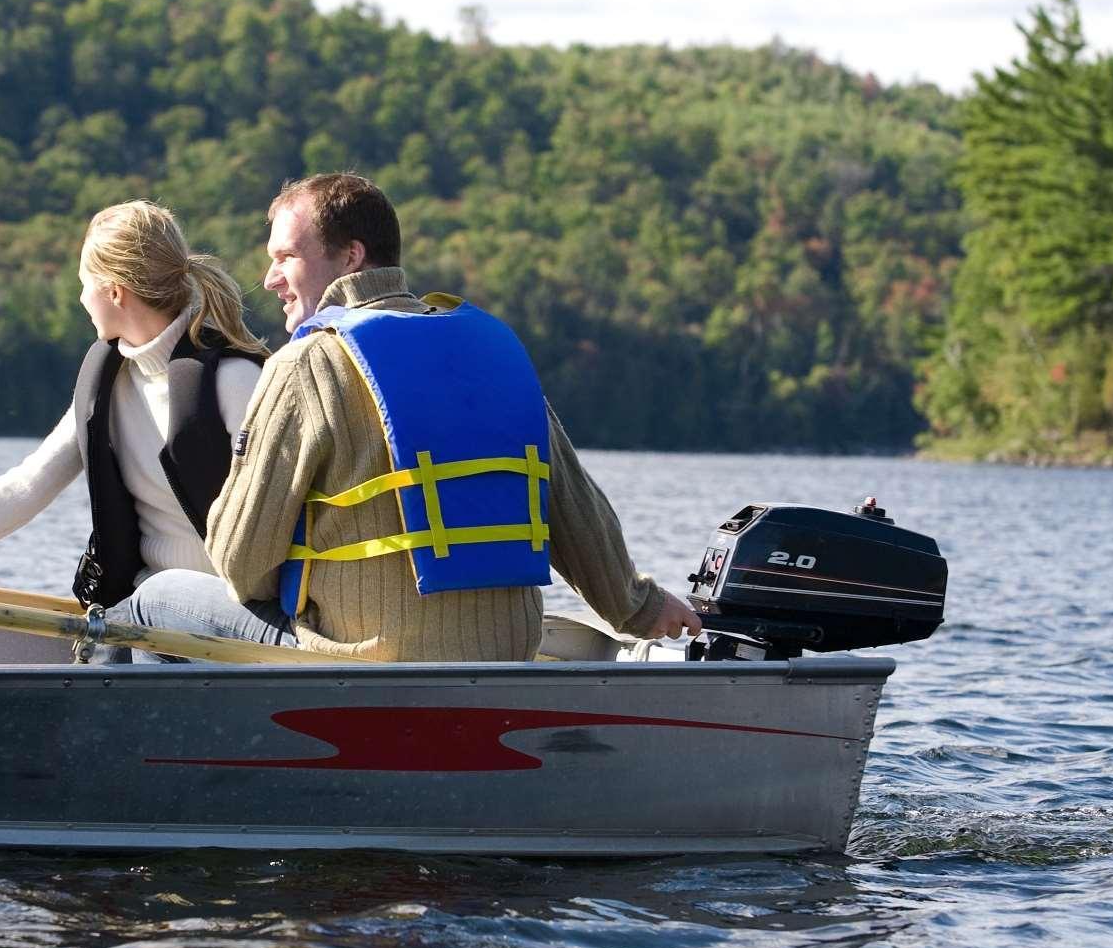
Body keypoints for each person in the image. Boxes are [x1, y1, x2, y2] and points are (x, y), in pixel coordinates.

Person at [111, 172, 703, 662]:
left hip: (359, 659)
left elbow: (242, 569)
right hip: (503, 653)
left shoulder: (308, 364)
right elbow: (576, 515)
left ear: (350, 256)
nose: (269, 279)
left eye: (286, 256)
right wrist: (642, 609)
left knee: (154, 599)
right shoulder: (492, 350)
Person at [0, 200, 267, 609]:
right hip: (150, 605)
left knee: (154, 597)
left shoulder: (234, 380)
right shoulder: (111, 380)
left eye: (84, 283)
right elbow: (30, 483)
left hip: (233, 607)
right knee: (145, 603)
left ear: (115, 292)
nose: (81, 298)